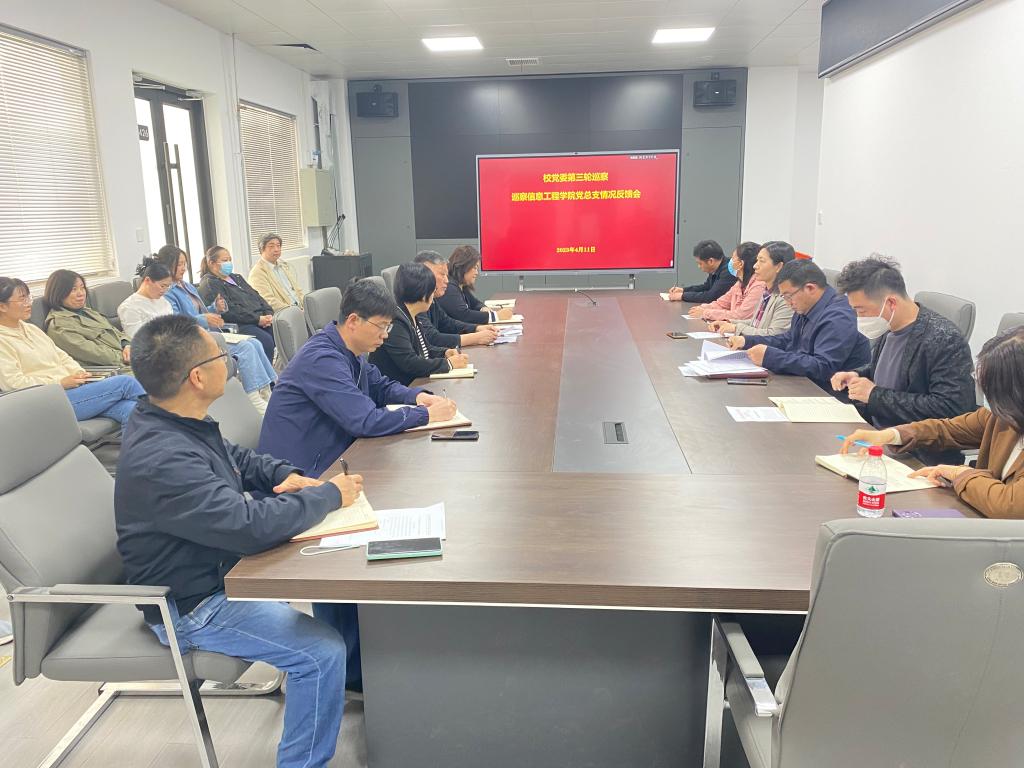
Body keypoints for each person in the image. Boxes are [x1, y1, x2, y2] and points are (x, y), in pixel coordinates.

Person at [115, 314, 363, 767]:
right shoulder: (162, 456)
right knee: (321, 653)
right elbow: (246, 527)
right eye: (221, 356)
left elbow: (238, 460)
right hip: (191, 605)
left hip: (217, 569)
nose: (229, 362)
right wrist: (328, 496)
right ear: (197, 377)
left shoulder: (177, 420)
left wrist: (286, 476)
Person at [259, 277, 457, 475]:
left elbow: (380, 386)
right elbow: (364, 421)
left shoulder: (349, 350)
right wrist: (426, 415)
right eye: (381, 326)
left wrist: (418, 397)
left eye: (388, 327)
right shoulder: (322, 359)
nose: (385, 335)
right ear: (353, 321)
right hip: (301, 475)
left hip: (334, 457)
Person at [840, 326, 1024, 519]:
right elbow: (949, 429)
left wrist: (959, 474)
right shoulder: (1003, 415)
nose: (988, 398)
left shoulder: (1007, 409)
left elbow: (1009, 506)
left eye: (995, 390)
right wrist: (890, 435)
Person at [831, 256, 976, 464]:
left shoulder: (944, 339)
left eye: (861, 310)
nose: (858, 318)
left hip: (917, 454)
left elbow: (951, 409)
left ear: (891, 303)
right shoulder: (889, 326)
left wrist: (874, 395)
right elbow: (892, 370)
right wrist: (856, 374)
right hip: (876, 438)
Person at [0, 276, 144, 424]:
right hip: (46, 401)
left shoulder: (31, 329)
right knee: (126, 383)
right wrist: (60, 382)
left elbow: (62, 357)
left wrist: (78, 372)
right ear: (2, 306)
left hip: (72, 390)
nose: (29, 303)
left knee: (133, 410)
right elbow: (14, 384)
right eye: (22, 299)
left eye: (28, 297)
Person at [153, 247, 277, 414]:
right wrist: (204, 319)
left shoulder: (187, 286)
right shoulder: (167, 292)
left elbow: (202, 312)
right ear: (168, 265)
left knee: (254, 343)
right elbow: (176, 322)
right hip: (191, 340)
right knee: (246, 348)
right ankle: (254, 397)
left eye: (185, 264)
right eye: (180, 264)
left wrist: (215, 308)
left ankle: (266, 390)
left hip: (207, 333)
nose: (184, 268)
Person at [728, 260, 870, 391]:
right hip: (804, 384)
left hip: (830, 394)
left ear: (810, 288)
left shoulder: (838, 317)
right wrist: (748, 341)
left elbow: (823, 367)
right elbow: (789, 339)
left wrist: (770, 357)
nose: (787, 302)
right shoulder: (806, 306)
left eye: (788, 296)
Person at [370, 263, 470, 386]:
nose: (433, 296)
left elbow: (425, 349)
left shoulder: (412, 315)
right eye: (432, 290)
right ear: (423, 294)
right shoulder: (395, 322)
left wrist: (445, 352)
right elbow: (410, 363)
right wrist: (448, 364)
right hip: (398, 389)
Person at [43, 269, 132, 373]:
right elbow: (96, 354)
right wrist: (130, 357)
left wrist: (127, 345)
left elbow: (115, 332)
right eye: (73, 290)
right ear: (58, 294)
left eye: (82, 288)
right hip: (111, 369)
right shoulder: (59, 325)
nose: (81, 293)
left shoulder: (86, 312)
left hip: (127, 360)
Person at [198, 246, 276, 361]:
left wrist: (268, 313)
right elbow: (229, 311)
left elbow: (256, 296)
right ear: (211, 263)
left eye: (230, 259)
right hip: (239, 324)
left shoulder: (236, 278)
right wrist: (257, 319)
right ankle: (266, 372)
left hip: (258, 318)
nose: (229, 263)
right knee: (265, 341)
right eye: (225, 260)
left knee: (279, 331)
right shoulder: (210, 283)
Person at [708, 241, 796, 337]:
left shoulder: (785, 298)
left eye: (762, 261)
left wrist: (736, 327)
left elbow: (774, 335)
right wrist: (729, 322)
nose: (755, 266)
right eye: (757, 260)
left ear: (779, 266)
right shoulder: (767, 291)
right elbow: (756, 323)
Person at [412, 250, 497, 347]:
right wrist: (475, 338)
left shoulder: (432, 300)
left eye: (446, 275)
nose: (447, 281)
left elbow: (447, 323)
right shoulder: (416, 302)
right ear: (423, 275)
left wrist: (476, 328)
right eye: (442, 275)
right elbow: (431, 338)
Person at [437, 245, 515, 324]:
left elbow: (475, 303)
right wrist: (495, 316)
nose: (477, 273)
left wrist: (483, 308)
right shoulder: (449, 288)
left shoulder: (461, 286)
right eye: (475, 268)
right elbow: (463, 315)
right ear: (463, 266)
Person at [687, 242, 765, 321]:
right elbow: (721, 303)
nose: (730, 261)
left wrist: (705, 313)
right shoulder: (739, 283)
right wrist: (702, 308)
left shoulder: (758, 286)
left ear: (740, 264)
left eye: (733, 258)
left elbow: (741, 316)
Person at [248, 232, 305, 312]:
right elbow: (268, 301)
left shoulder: (283, 266)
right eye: (271, 246)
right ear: (262, 249)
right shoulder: (257, 273)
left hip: (300, 309)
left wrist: (306, 306)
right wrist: (294, 311)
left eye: (278, 246)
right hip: (284, 313)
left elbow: (298, 291)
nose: (276, 249)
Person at [118, 260, 175, 338]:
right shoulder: (129, 307)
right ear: (147, 280)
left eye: (168, 286)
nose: (165, 290)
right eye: (162, 286)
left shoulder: (164, 302)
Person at [666, 240, 735, 303]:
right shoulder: (716, 267)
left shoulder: (729, 271)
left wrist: (682, 296)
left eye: (700, 263)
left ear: (711, 261)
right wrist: (683, 290)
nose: (699, 266)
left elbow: (711, 297)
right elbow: (706, 287)